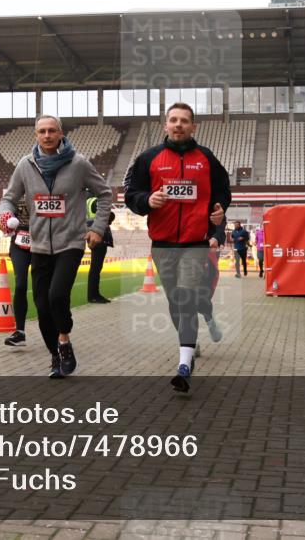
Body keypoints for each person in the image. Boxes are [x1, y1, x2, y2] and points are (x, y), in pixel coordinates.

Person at [123, 102, 231, 393]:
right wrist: (147, 201)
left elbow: (223, 191)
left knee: (185, 297)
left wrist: (220, 210)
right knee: (175, 301)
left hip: (196, 243)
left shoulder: (207, 158)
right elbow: (131, 195)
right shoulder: (149, 158)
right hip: (162, 244)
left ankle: (184, 364)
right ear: (166, 125)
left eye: (185, 120)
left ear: (193, 127)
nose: (179, 124)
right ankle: (188, 345)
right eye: (173, 120)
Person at [0, 115, 112, 378]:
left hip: (70, 243)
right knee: (41, 304)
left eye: (52, 131)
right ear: (35, 135)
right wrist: (6, 215)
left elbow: (105, 194)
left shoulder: (79, 163)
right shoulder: (25, 165)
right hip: (38, 246)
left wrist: (97, 228)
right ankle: (55, 356)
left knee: (56, 296)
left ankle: (64, 339)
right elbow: (9, 198)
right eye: (42, 131)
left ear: (61, 134)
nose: (47, 135)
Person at [0, 198, 32, 346]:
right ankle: (20, 332)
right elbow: (3, 218)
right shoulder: (14, 193)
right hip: (19, 244)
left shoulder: (43, 186)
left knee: (43, 290)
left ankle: (56, 331)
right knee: (20, 285)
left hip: (42, 241)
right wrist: (3, 225)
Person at [85, 192, 115, 304]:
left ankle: (93, 294)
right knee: (96, 268)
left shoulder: (87, 201)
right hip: (99, 234)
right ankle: (93, 295)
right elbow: (107, 215)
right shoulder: (96, 201)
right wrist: (111, 217)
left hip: (90, 230)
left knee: (95, 267)